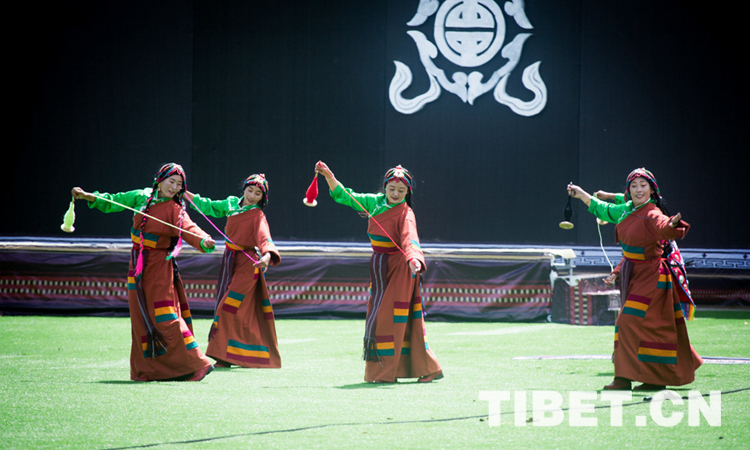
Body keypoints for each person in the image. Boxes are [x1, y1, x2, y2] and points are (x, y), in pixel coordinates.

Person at [71, 163, 216, 382]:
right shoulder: (141, 197)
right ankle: (149, 370)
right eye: (171, 181)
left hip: (159, 267)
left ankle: (197, 363)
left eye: (179, 184)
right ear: (160, 180)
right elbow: (115, 200)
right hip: (137, 264)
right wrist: (87, 196)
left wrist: (204, 240)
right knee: (141, 316)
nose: (174, 187)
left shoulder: (175, 209)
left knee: (165, 315)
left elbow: (189, 228)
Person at [567, 168, 702, 390]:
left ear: (652, 189)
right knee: (649, 326)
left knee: (626, 322)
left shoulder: (652, 213)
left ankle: (624, 379)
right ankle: (653, 380)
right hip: (634, 275)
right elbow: (604, 210)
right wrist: (581, 194)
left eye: (643, 185)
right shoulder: (627, 210)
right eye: (634, 186)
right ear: (628, 190)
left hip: (652, 278)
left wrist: (672, 225)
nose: (639, 189)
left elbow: (663, 226)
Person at [314, 161, 442, 383]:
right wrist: (328, 177)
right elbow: (346, 196)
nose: (396, 193)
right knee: (388, 318)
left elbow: (410, 239)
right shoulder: (374, 202)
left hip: (401, 267)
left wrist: (414, 259)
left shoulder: (406, 213)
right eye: (392, 189)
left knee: (388, 319)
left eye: (401, 190)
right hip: (380, 266)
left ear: (408, 192)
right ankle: (427, 368)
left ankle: (386, 373)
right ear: (385, 188)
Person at [184, 174, 281, 369]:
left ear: (263, 197)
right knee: (235, 311)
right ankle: (238, 355)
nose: (252, 196)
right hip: (230, 262)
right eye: (250, 190)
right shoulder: (230, 204)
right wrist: (183, 192)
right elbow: (207, 205)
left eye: (258, 193)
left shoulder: (257, 215)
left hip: (248, 266)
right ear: (244, 189)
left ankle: (223, 356)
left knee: (227, 308)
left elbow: (265, 238)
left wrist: (267, 256)